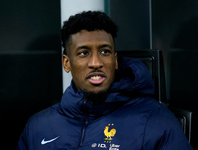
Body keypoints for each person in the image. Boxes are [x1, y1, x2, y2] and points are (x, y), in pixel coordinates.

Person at [17, 11, 192, 150]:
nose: (96, 63)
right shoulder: (37, 127)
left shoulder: (157, 120)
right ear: (67, 63)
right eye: (84, 53)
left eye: (105, 51)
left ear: (115, 61)